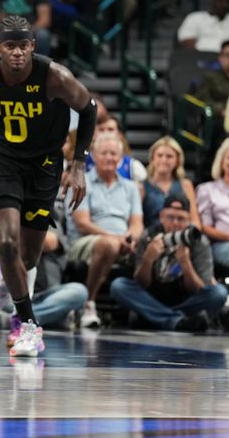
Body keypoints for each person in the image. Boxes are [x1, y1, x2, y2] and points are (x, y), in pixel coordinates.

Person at [0, 14, 96, 356]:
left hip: (45, 166)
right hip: (2, 161)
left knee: (28, 258)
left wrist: (78, 163)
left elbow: (89, 108)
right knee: (5, 242)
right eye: (10, 46)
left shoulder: (54, 76)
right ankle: (29, 326)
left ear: (33, 46)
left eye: (23, 46)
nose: (17, 53)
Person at [110, 193, 228, 331]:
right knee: (118, 286)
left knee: (219, 293)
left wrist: (185, 264)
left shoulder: (198, 241)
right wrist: (148, 259)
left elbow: (199, 289)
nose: (175, 223)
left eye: (181, 219)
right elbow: (141, 283)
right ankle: (177, 320)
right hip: (152, 298)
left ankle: (157, 318)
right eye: (170, 217)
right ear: (161, 217)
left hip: (185, 300)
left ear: (189, 220)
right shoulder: (148, 236)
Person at [65, 132, 144, 328]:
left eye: (114, 154)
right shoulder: (82, 182)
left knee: (153, 248)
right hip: (85, 241)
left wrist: (130, 238)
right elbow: (82, 223)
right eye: (105, 153)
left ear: (120, 158)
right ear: (93, 155)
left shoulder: (131, 187)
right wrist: (116, 239)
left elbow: (136, 223)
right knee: (108, 245)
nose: (109, 158)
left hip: (122, 242)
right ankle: (88, 303)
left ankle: (144, 311)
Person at [196, 136, 229, 269]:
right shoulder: (206, 190)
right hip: (222, 245)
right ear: (221, 161)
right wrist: (228, 236)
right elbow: (205, 227)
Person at [142, 136, 200, 229]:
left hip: (180, 235)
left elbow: (195, 220)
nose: (164, 160)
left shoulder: (185, 185)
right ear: (152, 158)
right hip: (152, 235)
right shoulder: (141, 186)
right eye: (159, 155)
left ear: (177, 160)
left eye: (169, 156)